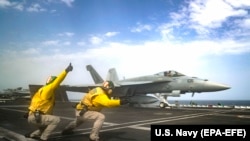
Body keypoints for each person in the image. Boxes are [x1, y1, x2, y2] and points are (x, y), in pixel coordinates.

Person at [61, 80, 130, 141]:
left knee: (79, 121)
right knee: (101, 117)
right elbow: (107, 103)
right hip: (85, 111)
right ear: (108, 87)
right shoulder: (100, 94)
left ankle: (66, 130)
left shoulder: (97, 90)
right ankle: (93, 137)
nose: (111, 90)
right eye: (111, 88)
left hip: (81, 110)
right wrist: (120, 102)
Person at [25, 63, 73, 141]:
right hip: (37, 117)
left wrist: (28, 112)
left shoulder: (42, 90)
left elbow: (35, 104)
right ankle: (44, 138)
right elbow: (57, 81)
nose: (58, 85)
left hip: (34, 116)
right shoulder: (48, 89)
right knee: (56, 120)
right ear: (52, 83)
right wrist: (66, 71)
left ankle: (32, 135)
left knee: (46, 126)